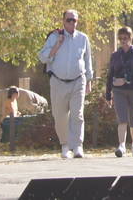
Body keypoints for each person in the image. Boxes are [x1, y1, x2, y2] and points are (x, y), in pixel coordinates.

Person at [37, 9, 94, 159]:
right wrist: (57, 45)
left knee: (78, 114)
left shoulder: (83, 38)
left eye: (74, 20)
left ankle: (78, 146)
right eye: (69, 20)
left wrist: (89, 80)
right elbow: (42, 57)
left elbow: (88, 60)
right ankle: (65, 145)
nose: (71, 23)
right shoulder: (54, 37)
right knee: (60, 116)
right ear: (63, 21)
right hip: (58, 81)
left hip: (78, 81)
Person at [104, 26, 133, 157]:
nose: (123, 41)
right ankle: (121, 145)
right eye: (120, 38)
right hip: (119, 91)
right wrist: (108, 94)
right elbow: (110, 75)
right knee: (122, 119)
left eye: (125, 38)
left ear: (130, 38)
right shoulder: (115, 56)